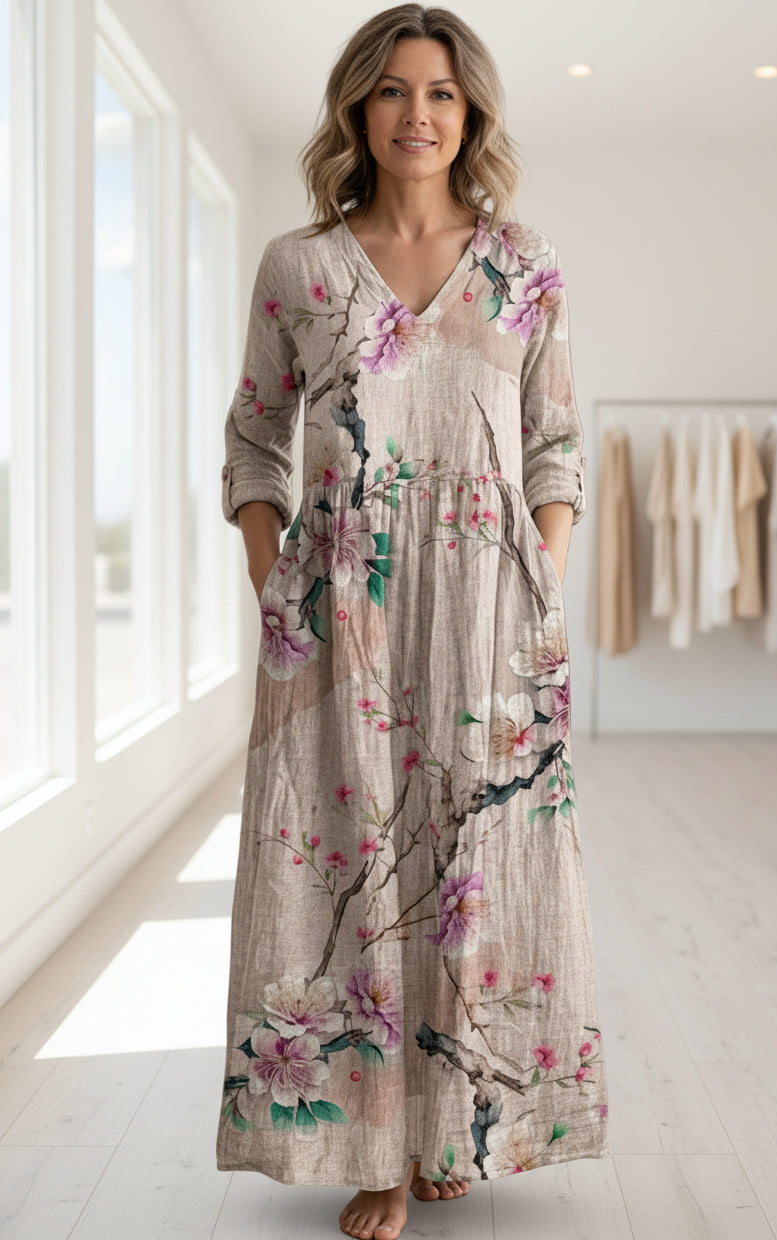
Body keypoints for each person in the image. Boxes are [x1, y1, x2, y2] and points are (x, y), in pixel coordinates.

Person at [216, 6, 610, 1239]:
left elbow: (553, 444)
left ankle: (453, 1126)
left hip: (492, 609)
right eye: (391, 90)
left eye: (440, 92)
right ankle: (372, 1147)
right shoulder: (297, 266)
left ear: (469, 112)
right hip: (338, 617)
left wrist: (539, 582)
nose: (416, 114)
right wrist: (277, 589)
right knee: (346, 862)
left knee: (476, 863)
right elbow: (254, 440)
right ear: (357, 108)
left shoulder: (523, 263)